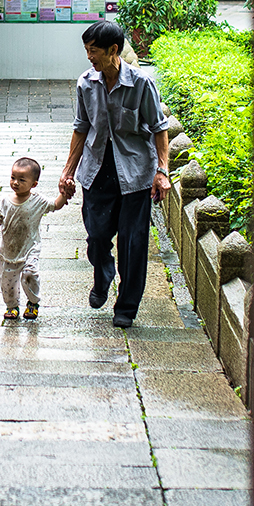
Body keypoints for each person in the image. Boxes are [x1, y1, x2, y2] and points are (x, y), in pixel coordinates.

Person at [59, 19, 175, 328]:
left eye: (93, 50)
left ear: (113, 50)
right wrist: (67, 171)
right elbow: (81, 128)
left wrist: (162, 171)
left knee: (133, 243)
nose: (89, 57)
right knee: (97, 236)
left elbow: (159, 128)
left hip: (135, 173)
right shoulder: (86, 83)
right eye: (86, 50)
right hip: (97, 170)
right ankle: (104, 274)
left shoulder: (141, 83)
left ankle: (126, 307)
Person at [0, 155, 74, 322]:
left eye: (21, 180)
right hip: (9, 251)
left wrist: (64, 193)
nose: (15, 183)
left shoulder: (37, 201)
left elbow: (55, 204)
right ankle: (12, 306)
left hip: (30, 248)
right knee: (7, 282)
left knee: (30, 273)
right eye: (13, 178)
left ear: (34, 184)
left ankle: (33, 303)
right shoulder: (4, 201)